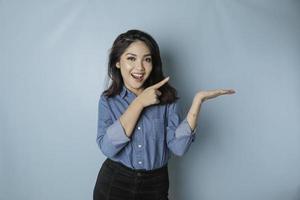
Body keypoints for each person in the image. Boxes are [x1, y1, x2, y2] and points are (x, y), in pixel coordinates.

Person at [93, 29, 235, 200]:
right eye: (131, 58)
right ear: (117, 62)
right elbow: (107, 148)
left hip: (155, 185)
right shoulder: (108, 101)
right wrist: (139, 103)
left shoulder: (167, 99)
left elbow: (178, 148)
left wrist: (198, 102)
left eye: (147, 59)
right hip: (115, 183)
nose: (139, 67)